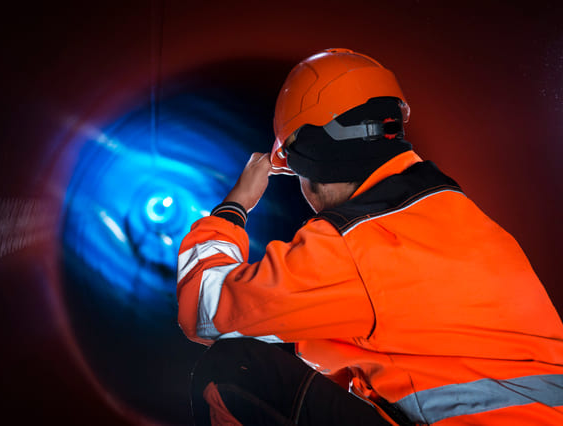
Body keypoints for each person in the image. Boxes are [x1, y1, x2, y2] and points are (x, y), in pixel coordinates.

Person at [176, 48, 563, 425]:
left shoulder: (352, 244)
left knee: (235, 366)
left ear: (306, 162)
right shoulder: (460, 215)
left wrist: (235, 207)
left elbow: (204, 310)